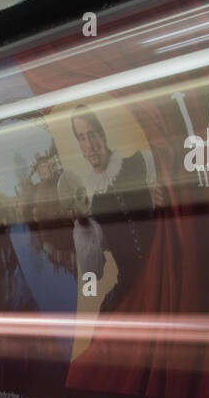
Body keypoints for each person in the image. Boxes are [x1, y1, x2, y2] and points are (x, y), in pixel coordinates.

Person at [67, 106, 163, 313]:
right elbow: (93, 278)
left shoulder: (142, 162)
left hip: (166, 271)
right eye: (82, 138)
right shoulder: (88, 202)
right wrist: (83, 228)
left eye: (92, 134)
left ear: (103, 134)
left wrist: (165, 202)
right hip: (132, 287)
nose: (90, 145)